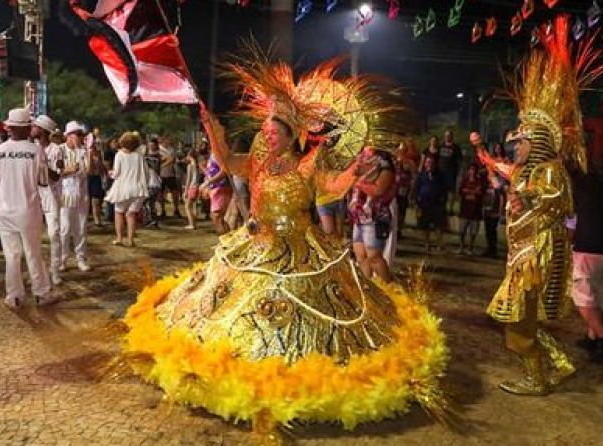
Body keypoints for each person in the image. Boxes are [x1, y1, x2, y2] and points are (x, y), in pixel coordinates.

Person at [118, 57, 448, 441]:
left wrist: (353, 174)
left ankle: (290, 377)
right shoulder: (258, 164)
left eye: (274, 132)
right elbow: (227, 162)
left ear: (291, 136)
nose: (267, 135)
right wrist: (213, 132)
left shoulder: (308, 166)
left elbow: (333, 185)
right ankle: (233, 366)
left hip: (300, 248)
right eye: (265, 130)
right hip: (254, 244)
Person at [477, 17, 595, 395]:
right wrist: (481, 150)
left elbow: (558, 201)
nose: (516, 143)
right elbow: (499, 167)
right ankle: (557, 363)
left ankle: (536, 378)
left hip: (537, 256)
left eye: (523, 138)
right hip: (523, 253)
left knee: (517, 323)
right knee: (525, 321)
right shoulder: (526, 170)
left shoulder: (549, 170)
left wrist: (522, 194)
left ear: (540, 140)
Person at [0, 108, 53, 308]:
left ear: (10, 128)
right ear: (27, 128)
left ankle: (14, 296)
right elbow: (43, 181)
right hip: (28, 210)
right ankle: (41, 293)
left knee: (11, 256)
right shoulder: (37, 151)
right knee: (33, 253)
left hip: (5, 210)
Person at [571, 158, 603, 363]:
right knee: (599, 296)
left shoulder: (585, 183)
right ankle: (593, 338)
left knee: (583, 298)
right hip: (598, 246)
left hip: (588, 245)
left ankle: (601, 335)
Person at [349, 146, 396, 281]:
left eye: (368, 153)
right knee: (360, 255)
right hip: (359, 217)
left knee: (374, 257)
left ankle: (389, 288)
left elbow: (378, 190)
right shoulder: (363, 168)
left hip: (374, 218)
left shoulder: (385, 169)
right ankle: (367, 288)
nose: (364, 154)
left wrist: (359, 183)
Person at [32, 115, 64, 285]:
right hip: (35, 195)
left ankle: (55, 270)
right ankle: (38, 271)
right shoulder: (31, 148)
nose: (32, 128)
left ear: (42, 130)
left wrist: (43, 162)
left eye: (35, 126)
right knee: (34, 235)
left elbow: (57, 176)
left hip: (52, 194)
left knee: (54, 233)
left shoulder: (56, 149)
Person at [105, 132, 149, 247]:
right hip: (137, 188)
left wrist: (110, 173)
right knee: (131, 214)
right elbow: (146, 172)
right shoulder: (139, 156)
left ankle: (119, 238)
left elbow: (116, 173)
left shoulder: (119, 155)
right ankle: (131, 240)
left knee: (119, 212)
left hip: (123, 188)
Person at [60, 121, 91, 272]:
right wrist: (68, 170)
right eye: (77, 134)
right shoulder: (60, 150)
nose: (80, 137)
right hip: (65, 194)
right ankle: (62, 259)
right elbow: (53, 173)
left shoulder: (84, 151)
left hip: (81, 194)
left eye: (81, 135)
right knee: (65, 229)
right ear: (69, 136)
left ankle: (81, 258)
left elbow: (89, 171)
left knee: (81, 228)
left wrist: (91, 152)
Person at [415, 156, 445, 253]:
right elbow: (416, 188)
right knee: (424, 225)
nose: (430, 165)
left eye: (431, 163)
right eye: (428, 162)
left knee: (438, 226)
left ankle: (439, 244)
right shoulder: (421, 175)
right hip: (423, 203)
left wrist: (443, 201)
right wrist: (416, 202)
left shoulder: (440, 175)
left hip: (436, 203)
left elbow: (444, 189)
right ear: (425, 164)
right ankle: (427, 243)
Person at [200, 153, 232, 234]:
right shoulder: (213, 153)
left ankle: (226, 241)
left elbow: (224, 171)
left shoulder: (219, 152)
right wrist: (207, 186)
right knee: (216, 218)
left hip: (221, 188)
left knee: (217, 217)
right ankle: (225, 240)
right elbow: (210, 171)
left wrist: (208, 182)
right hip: (214, 189)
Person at [456, 164, 483, 255]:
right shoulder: (465, 180)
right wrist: (472, 191)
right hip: (465, 209)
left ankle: (470, 248)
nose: (473, 171)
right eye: (471, 169)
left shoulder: (479, 181)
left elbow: (479, 192)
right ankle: (461, 247)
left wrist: (468, 191)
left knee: (473, 232)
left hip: (475, 211)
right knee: (462, 231)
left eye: (474, 169)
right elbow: (461, 191)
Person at [481, 170, 505, 258]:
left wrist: (499, 211)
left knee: (492, 231)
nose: (489, 177)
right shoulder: (486, 186)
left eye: (491, 175)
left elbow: (501, 198)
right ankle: (489, 249)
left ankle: (493, 250)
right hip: (487, 211)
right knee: (488, 232)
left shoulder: (497, 187)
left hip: (494, 212)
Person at [438, 129, 462, 215]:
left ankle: (451, 209)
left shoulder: (455, 148)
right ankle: (442, 207)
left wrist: (459, 173)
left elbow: (459, 161)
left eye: (448, 135)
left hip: (451, 173)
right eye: (446, 135)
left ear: (451, 136)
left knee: (451, 192)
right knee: (442, 191)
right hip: (441, 173)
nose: (447, 137)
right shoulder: (441, 146)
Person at [86, 133, 106, 227]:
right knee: (86, 200)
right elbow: (89, 169)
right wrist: (90, 155)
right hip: (87, 177)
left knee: (96, 200)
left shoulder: (98, 153)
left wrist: (104, 174)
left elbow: (101, 166)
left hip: (96, 178)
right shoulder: (85, 152)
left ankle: (97, 219)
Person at [159, 138, 181, 218]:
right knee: (161, 194)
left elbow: (172, 159)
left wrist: (165, 161)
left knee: (175, 193)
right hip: (161, 175)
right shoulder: (159, 149)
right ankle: (162, 210)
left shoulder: (172, 149)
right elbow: (160, 159)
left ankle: (176, 209)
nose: (169, 141)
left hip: (171, 175)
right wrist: (164, 161)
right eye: (167, 140)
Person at [182, 148, 200, 229]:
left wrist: (185, 190)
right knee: (191, 206)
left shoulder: (190, 166)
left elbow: (188, 179)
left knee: (187, 206)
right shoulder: (197, 165)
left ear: (189, 156)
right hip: (197, 187)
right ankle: (193, 223)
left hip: (192, 187)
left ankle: (192, 224)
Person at [102, 137, 118, 222]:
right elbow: (106, 164)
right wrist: (109, 173)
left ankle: (113, 214)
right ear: (110, 143)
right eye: (114, 142)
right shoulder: (108, 152)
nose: (116, 143)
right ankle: (109, 215)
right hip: (110, 176)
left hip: (116, 176)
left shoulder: (118, 152)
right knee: (109, 195)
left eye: (116, 142)